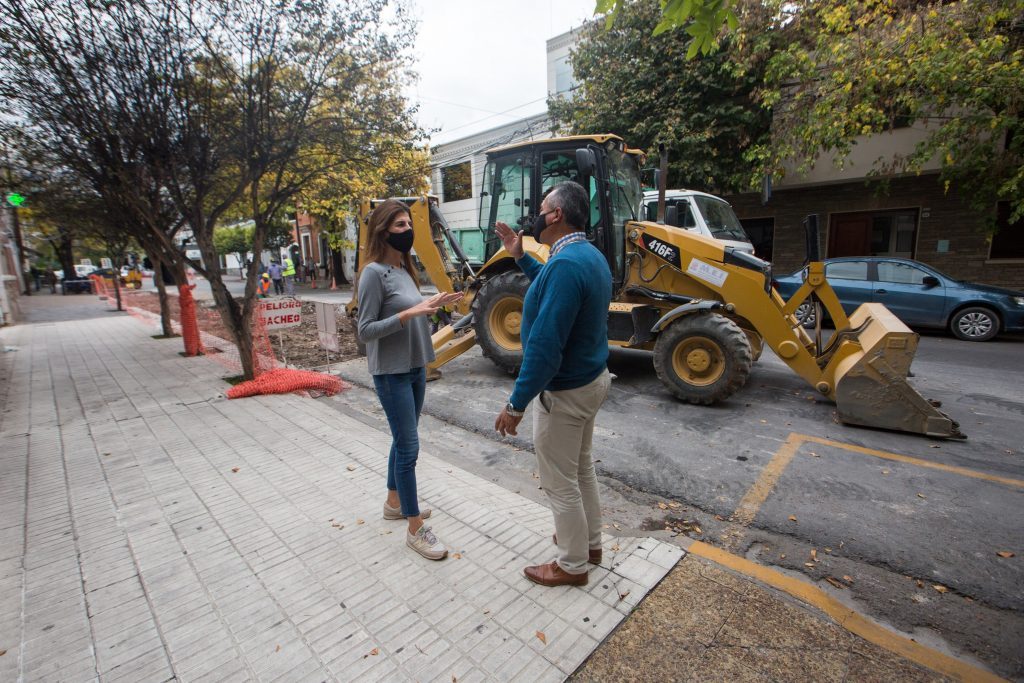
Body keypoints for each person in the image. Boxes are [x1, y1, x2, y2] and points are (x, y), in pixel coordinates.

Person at [493, 181, 613, 588]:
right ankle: (590, 545)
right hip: (591, 383)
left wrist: (516, 403)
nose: (537, 213)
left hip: (565, 393)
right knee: (580, 470)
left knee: (560, 483)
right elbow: (555, 283)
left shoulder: (567, 263)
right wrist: (520, 257)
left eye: (543, 207)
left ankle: (572, 564)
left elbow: (544, 349)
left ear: (556, 214)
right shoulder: (586, 256)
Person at [357, 199, 463, 560]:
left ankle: (393, 502)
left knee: (403, 441)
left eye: (408, 224)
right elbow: (365, 330)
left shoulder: (403, 268)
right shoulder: (372, 273)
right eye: (399, 225)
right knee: (409, 448)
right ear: (383, 231)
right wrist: (408, 314)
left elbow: (410, 309)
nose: (407, 231)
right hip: (392, 373)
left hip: (416, 367)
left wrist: (433, 302)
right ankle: (415, 527)